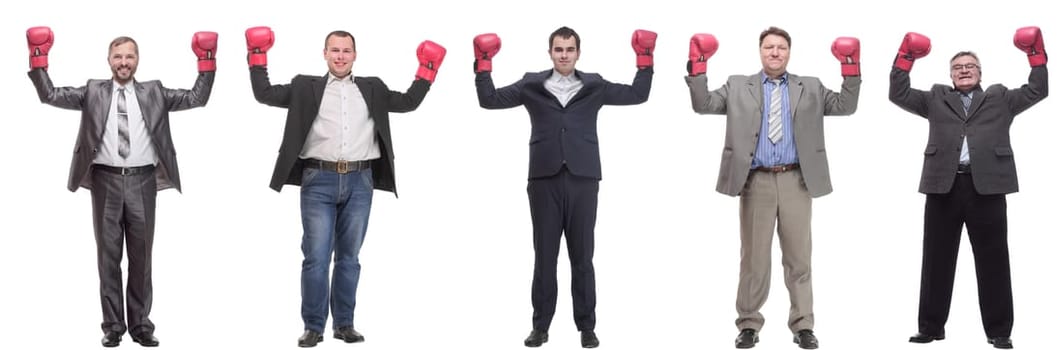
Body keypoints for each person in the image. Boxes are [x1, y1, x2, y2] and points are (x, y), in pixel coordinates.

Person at [244, 26, 444, 348]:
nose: (340, 56)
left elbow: (407, 102)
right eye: (334, 50)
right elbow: (264, 93)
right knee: (316, 258)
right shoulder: (304, 86)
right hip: (318, 180)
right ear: (325, 54)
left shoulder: (373, 88)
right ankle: (313, 327)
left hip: (360, 181)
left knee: (349, 258)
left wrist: (428, 70)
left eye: (346, 50)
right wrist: (257, 56)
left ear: (355, 55)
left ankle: (345, 325)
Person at [27, 26, 216, 348]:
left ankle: (141, 326)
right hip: (105, 181)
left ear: (137, 60)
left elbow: (196, 98)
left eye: (129, 56)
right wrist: (38, 58)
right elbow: (50, 95)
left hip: (143, 180)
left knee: (141, 258)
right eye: (118, 57)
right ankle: (113, 326)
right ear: (109, 60)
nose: (124, 62)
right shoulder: (93, 91)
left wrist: (207, 61)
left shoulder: (154, 92)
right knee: (108, 257)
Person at [473, 26, 655, 349]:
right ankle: (540, 327)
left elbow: (637, 95)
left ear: (578, 53)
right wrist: (483, 64)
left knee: (582, 257)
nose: (564, 55)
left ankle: (587, 327)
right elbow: (489, 100)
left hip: (584, 179)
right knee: (545, 256)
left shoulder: (595, 85)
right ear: (550, 53)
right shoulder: (531, 84)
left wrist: (645, 60)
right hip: (544, 179)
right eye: (559, 49)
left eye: (570, 49)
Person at [684, 26, 861, 350]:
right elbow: (703, 103)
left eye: (781, 47)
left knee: (799, 259)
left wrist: (851, 68)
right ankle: (749, 324)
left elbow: (845, 106)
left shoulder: (810, 86)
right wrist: (698, 66)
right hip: (756, 182)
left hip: (797, 180)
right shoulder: (738, 85)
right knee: (754, 259)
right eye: (769, 47)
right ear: (760, 51)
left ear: (789, 52)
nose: (775, 52)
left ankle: (803, 325)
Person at [887, 27, 1049, 350]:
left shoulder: (1000, 98)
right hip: (942, 187)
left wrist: (1036, 55)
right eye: (958, 67)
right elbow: (899, 94)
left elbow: (1037, 90)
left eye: (970, 66)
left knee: (994, 261)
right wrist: (904, 59)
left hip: (988, 188)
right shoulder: (935, 97)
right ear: (950, 75)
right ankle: (931, 327)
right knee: (936, 260)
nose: (964, 71)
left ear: (980, 73)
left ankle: (999, 331)